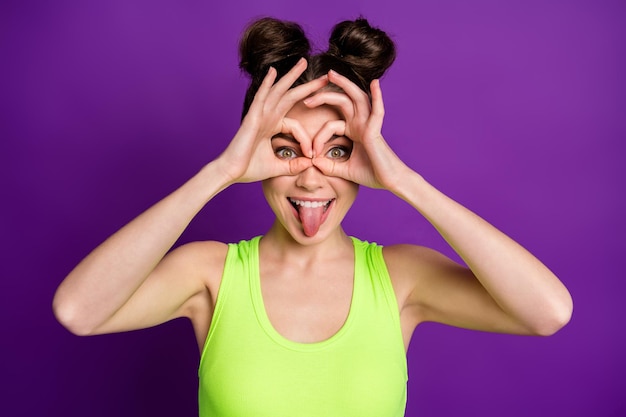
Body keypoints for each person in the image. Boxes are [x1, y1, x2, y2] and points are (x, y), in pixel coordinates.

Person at [53, 16, 573, 417]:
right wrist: (221, 171)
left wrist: (404, 181)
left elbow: (547, 312)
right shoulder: (209, 274)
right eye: (285, 150)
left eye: (338, 151)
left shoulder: (400, 278)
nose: (309, 176)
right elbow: (79, 311)